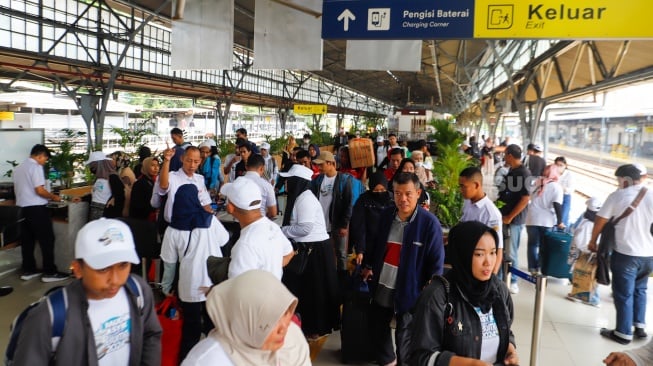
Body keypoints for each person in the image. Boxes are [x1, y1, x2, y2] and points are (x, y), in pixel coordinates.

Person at [12, 218, 162, 365]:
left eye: (123, 265)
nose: (115, 280)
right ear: (78, 269)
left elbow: (150, 335)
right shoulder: (48, 316)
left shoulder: (138, 291)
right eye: (103, 268)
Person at [362, 172, 445, 365]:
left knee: (405, 338)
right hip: (383, 283)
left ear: (418, 193)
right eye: (398, 193)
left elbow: (436, 263)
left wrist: (429, 292)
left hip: (411, 291)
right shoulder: (386, 215)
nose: (403, 199)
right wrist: (367, 266)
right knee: (377, 327)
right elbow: (375, 245)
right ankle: (389, 360)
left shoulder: (429, 224)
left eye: (408, 193)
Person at [409, 221, 519, 366]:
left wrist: (510, 350)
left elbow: (506, 330)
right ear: (463, 254)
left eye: (492, 253)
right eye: (479, 254)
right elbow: (421, 357)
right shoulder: (438, 295)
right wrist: (468, 364)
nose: (488, 262)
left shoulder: (499, 289)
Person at [160, 184, 230, 362]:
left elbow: (169, 264)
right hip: (212, 282)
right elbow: (225, 239)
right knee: (213, 327)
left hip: (188, 284)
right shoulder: (209, 220)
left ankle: (186, 360)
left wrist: (166, 287)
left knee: (190, 331)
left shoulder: (172, 229)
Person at [181, 270, 311, 366]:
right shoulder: (206, 361)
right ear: (243, 321)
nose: (284, 329)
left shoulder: (293, 337)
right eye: (271, 321)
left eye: (285, 313)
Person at [588, 164, 653, 345]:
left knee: (623, 293)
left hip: (626, 254)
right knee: (641, 289)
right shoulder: (651, 194)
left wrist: (593, 241)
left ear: (625, 180)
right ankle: (639, 326)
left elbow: (600, 220)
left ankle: (623, 333)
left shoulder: (617, 196)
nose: (618, 183)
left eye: (619, 180)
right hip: (649, 255)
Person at [279, 164, 340, 339]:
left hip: (314, 250)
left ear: (297, 182)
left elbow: (305, 228)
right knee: (307, 290)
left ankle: (314, 328)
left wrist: (283, 231)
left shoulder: (305, 199)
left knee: (314, 292)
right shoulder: (301, 197)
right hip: (310, 248)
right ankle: (306, 325)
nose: (287, 184)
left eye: (289, 180)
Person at [13, 144, 68, 282]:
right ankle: (50, 272)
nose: (44, 161)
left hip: (22, 210)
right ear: (40, 155)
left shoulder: (19, 168)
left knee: (27, 241)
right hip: (37, 209)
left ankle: (28, 270)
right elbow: (40, 190)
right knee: (47, 240)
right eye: (45, 159)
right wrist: (54, 197)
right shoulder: (36, 167)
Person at [220, 177, 294, 280]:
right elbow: (289, 253)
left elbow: (237, 289)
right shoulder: (272, 227)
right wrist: (271, 268)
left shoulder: (244, 245)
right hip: (273, 292)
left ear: (231, 207)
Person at [310, 151, 354, 286]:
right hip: (321, 225)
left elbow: (348, 203)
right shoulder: (317, 180)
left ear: (330, 163)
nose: (319, 168)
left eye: (321, 164)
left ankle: (342, 280)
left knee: (341, 253)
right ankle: (326, 277)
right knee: (323, 252)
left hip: (337, 223)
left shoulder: (344, 180)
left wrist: (344, 225)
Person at [496, 144, 532, 294]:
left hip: (513, 220)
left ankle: (514, 281)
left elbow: (525, 198)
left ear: (510, 155)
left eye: (505, 154)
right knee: (503, 249)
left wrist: (510, 217)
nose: (504, 157)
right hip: (505, 217)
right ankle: (501, 278)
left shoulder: (523, 173)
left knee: (511, 252)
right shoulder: (513, 170)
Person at [459, 166, 504, 275]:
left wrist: (492, 277)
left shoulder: (491, 213)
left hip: (482, 268)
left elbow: (498, 248)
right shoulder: (468, 203)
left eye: (463, 186)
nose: (461, 190)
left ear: (476, 185)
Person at [155, 146, 212, 225]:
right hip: (174, 225)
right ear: (182, 159)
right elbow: (163, 185)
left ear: (200, 161)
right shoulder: (172, 177)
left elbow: (205, 203)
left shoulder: (199, 179)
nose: (192, 165)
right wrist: (167, 160)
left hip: (194, 225)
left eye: (196, 162)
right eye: (189, 161)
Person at [525, 164, 564, 274]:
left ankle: (532, 268)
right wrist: (560, 221)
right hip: (546, 221)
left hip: (532, 218)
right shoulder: (556, 187)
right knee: (544, 246)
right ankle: (541, 267)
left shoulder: (537, 182)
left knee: (532, 244)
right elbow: (557, 205)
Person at [349, 171, 395, 265]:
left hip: (389, 244)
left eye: (382, 190)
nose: (379, 193)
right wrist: (360, 250)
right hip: (368, 245)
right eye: (376, 190)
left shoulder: (393, 200)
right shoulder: (363, 200)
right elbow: (359, 226)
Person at [567, 197, 603, 307]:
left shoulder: (586, 222)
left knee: (587, 274)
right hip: (590, 252)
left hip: (584, 252)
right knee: (587, 274)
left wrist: (586, 250)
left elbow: (577, 237)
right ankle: (579, 294)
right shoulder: (597, 222)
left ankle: (593, 298)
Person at [86, 151, 125, 220]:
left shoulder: (113, 177)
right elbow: (96, 195)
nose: (91, 168)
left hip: (106, 215)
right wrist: (82, 198)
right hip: (94, 212)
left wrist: (114, 199)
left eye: (93, 165)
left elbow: (120, 195)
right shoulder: (98, 178)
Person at [243, 154, 278, 219]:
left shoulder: (236, 183)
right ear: (262, 168)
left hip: (239, 224)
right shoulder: (266, 185)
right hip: (259, 223)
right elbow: (273, 213)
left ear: (246, 167)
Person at [129, 157, 159, 221]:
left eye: (157, 165)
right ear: (146, 166)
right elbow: (137, 206)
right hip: (142, 220)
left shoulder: (154, 181)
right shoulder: (140, 183)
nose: (156, 168)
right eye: (152, 165)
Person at [554, 156, 574, 227]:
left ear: (565, 166)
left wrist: (561, 188)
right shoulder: (552, 172)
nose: (559, 167)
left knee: (563, 218)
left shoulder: (569, 174)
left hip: (565, 197)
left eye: (561, 165)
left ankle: (560, 234)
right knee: (554, 217)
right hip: (555, 196)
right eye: (557, 165)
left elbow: (571, 189)